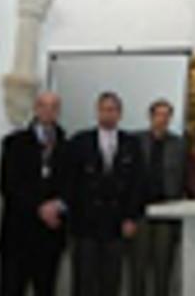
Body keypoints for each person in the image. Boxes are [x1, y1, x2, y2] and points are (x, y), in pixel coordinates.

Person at [68, 92, 145, 296]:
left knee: (110, 280)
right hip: (86, 223)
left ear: (120, 114)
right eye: (103, 109)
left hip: (116, 223)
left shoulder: (131, 143)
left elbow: (137, 183)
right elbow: (70, 182)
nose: (108, 114)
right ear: (97, 112)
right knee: (83, 281)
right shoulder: (80, 141)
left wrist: (131, 217)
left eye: (112, 110)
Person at [0, 92, 69, 296]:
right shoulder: (13, 143)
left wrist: (58, 206)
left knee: (46, 289)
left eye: (54, 106)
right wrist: (39, 207)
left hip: (50, 236)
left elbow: (72, 186)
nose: (48, 110)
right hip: (17, 235)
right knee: (11, 288)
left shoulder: (68, 146)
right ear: (36, 109)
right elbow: (8, 185)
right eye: (43, 105)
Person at [129, 99, 186, 296]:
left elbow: (182, 179)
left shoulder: (178, 144)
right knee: (138, 266)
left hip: (166, 209)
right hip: (141, 210)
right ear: (151, 116)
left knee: (163, 267)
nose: (162, 119)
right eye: (158, 114)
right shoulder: (135, 140)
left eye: (166, 115)